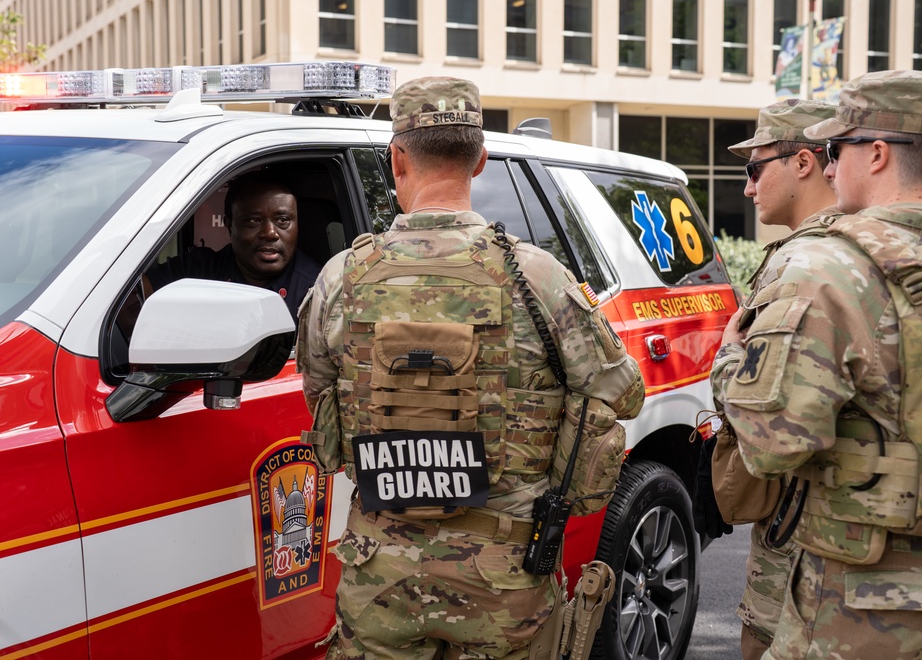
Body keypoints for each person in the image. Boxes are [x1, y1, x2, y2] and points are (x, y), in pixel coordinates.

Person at [296, 75, 644, 660]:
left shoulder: (341, 278)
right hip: (505, 577)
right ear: (481, 159)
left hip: (380, 569)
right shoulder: (538, 276)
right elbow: (622, 394)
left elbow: (320, 393)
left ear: (396, 157)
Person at [719, 70, 922, 659]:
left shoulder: (828, 267)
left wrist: (731, 358)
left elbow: (772, 446)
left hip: (873, 603)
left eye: (836, 149)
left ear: (875, 154)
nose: (827, 166)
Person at [708, 99, 837, 660]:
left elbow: (762, 417)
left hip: (801, 530)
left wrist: (726, 360)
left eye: (755, 169)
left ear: (803, 162)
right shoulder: (871, 249)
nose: (747, 188)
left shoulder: (804, 262)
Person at [144, 172, 321, 318]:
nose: (270, 233)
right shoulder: (198, 270)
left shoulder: (318, 289)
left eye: (282, 220)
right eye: (253, 221)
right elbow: (132, 294)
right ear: (229, 225)